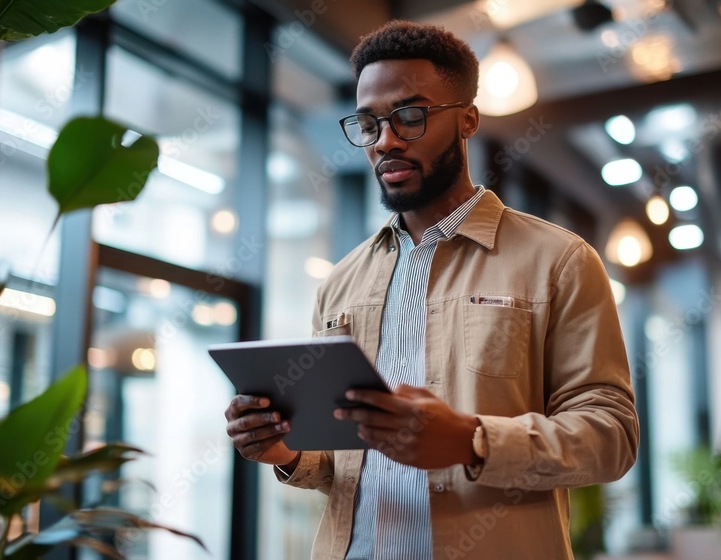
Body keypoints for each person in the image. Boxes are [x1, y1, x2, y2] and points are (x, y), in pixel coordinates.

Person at [225, 20, 638, 560]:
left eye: (411, 116)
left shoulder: (557, 260)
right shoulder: (340, 283)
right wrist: (281, 448)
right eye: (369, 124)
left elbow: (611, 437)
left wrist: (472, 441)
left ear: (467, 120)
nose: (386, 141)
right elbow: (342, 464)